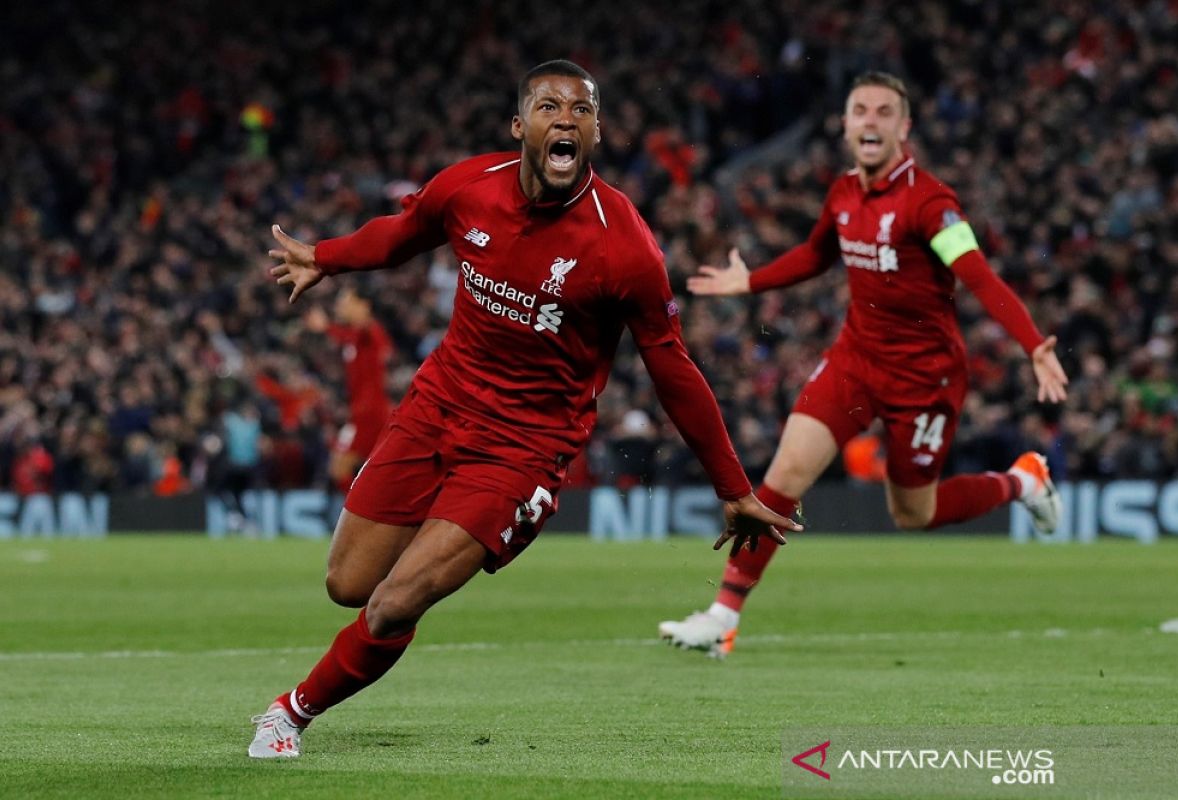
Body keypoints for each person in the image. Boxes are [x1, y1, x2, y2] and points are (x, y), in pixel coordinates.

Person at [248, 59, 801, 758]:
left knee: (393, 601)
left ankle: (290, 713)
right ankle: (357, 650)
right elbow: (401, 231)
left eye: (581, 109)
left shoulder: (624, 244)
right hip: (437, 407)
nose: (565, 117)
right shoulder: (468, 188)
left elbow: (672, 367)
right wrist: (327, 257)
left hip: (524, 448)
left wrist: (733, 487)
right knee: (347, 584)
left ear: (596, 132)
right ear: (521, 126)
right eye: (548, 106)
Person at [658, 71, 1069, 659]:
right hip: (855, 361)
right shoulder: (844, 191)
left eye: (883, 112)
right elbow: (817, 253)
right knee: (783, 477)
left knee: (913, 513)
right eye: (860, 111)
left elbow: (976, 272)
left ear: (904, 128)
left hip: (925, 380)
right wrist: (752, 279)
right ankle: (722, 618)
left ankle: (1022, 481)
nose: (870, 120)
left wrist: (1032, 343)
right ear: (846, 125)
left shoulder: (930, 203)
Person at [304, 287, 393, 493]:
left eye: (346, 302)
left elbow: (376, 340)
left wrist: (326, 326)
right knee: (377, 474)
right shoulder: (353, 336)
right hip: (365, 412)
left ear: (364, 305)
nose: (340, 306)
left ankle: (361, 519)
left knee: (339, 467)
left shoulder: (370, 331)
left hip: (369, 414)